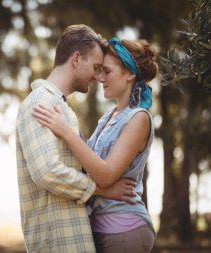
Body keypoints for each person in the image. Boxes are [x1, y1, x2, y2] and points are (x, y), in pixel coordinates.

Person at [16, 25, 138, 253]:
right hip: (56, 241)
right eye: (96, 67)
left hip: (73, 237)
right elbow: (47, 172)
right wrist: (102, 190)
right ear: (76, 59)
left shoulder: (61, 108)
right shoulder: (40, 103)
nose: (98, 77)